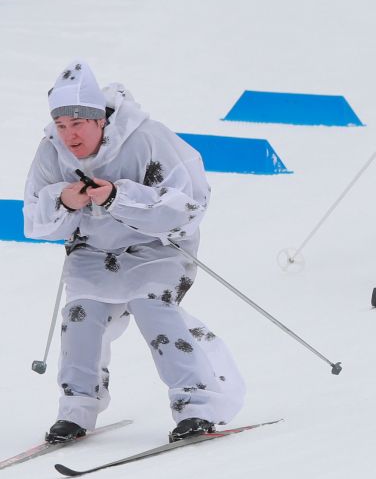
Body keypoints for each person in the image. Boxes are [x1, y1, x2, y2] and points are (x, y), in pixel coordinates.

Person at [25, 61, 246, 445]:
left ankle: (196, 404)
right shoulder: (51, 151)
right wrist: (63, 200)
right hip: (93, 250)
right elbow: (34, 220)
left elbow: (190, 203)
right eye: (61, 126)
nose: (69, 135)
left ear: (100, 120)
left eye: (78, 124)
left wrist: (118, 197)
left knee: (154, 308)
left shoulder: (147, 138)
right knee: (81, 316)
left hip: (155, 249)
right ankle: (76, 407)